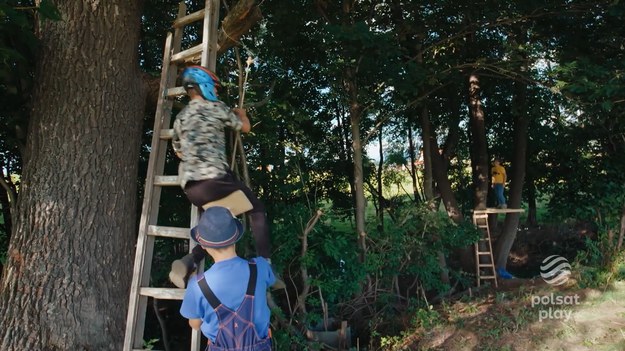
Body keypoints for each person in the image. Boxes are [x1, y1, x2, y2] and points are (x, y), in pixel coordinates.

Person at [170, 65, 283, 289]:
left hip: (192, 188)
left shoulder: (181, 117)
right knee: (257, 209)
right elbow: (246, 127)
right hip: (215, 181)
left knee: (215, 226)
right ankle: (266, 266)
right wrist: (241, 114)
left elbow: (178, 150)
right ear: (204, 87)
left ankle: (188, 262)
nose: (216, 91)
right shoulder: (216, 108)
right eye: (213, 87)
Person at [180, 206, 274, 351]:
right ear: (236, 238)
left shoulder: (197, 285)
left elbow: (195, 325)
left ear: (203, 245)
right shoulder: (260, 267)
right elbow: (271, 281)